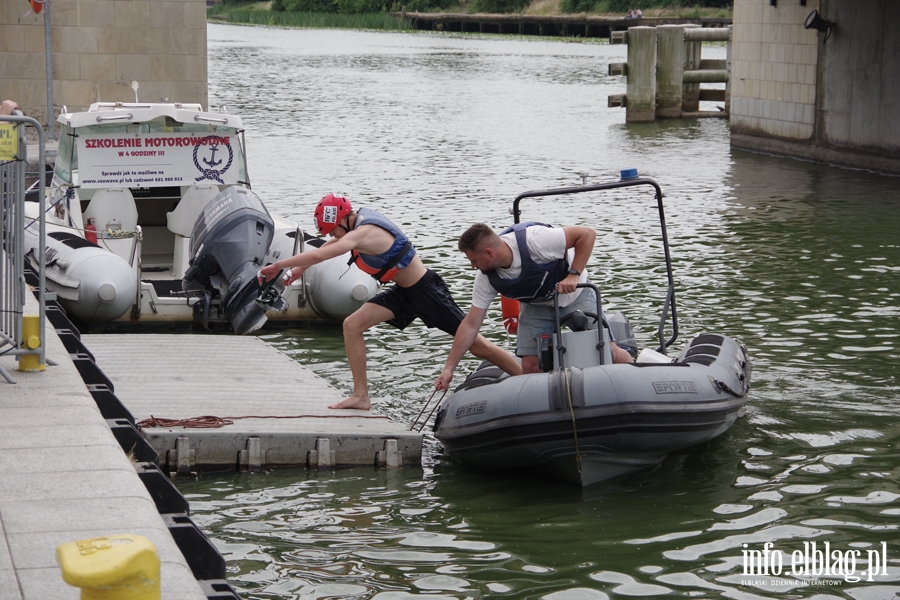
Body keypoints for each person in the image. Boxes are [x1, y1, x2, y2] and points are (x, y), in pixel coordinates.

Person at [258, 193, 522, 410]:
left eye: (334, 230)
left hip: (426, 290)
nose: (334, 235)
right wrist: (300, 270)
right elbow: (330, 245)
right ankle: (361, 396)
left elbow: (320, 256)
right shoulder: (352, 225)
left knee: (477, 345)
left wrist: (279, 266)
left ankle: (527, 380)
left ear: (343, 221)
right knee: (352, 325)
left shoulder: (363, 233)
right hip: (403, 292)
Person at [434, 221, 634, 391]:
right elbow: (470, 324)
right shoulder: (486, 279)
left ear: (488, 253)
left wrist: (573, 274)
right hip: (536, 305)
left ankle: (635, 379)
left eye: (474, 261)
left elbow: (587, 234)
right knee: (530, 364)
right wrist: (448, 369)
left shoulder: (536, 240)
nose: (473, 266)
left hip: (576, 294)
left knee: (610, 350)